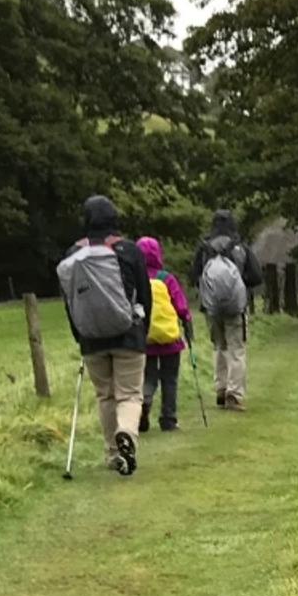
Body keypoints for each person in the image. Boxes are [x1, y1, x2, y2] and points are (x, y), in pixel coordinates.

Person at [56, 195, 151, 476]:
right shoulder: (130, 251)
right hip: (128, 333)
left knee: (105, 396)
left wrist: (79, 334)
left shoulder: (73, 254)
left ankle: (112, 453)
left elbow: (70, 300)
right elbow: (144, 296)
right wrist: (142, 332)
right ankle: (127, 435)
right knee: (130, 394)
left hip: (91, 338)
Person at [191, 209, 263, 411]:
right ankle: (235, 393)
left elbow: (194, 275)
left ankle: (220, 389)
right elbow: (256, 276)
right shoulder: (240, 247)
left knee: (218, 346)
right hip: (236, 306)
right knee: (236, 349)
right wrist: (240, 284)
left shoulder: (204, 248)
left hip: (211, 307)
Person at [137, 237, 192, 433]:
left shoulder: (136, 278)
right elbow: (181, 305)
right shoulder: (166, 278)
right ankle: (168, 419)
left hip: (145, 337)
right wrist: (186, 321)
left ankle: (144, 402)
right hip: (169, 338)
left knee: (148, 376)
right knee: (170, 378)